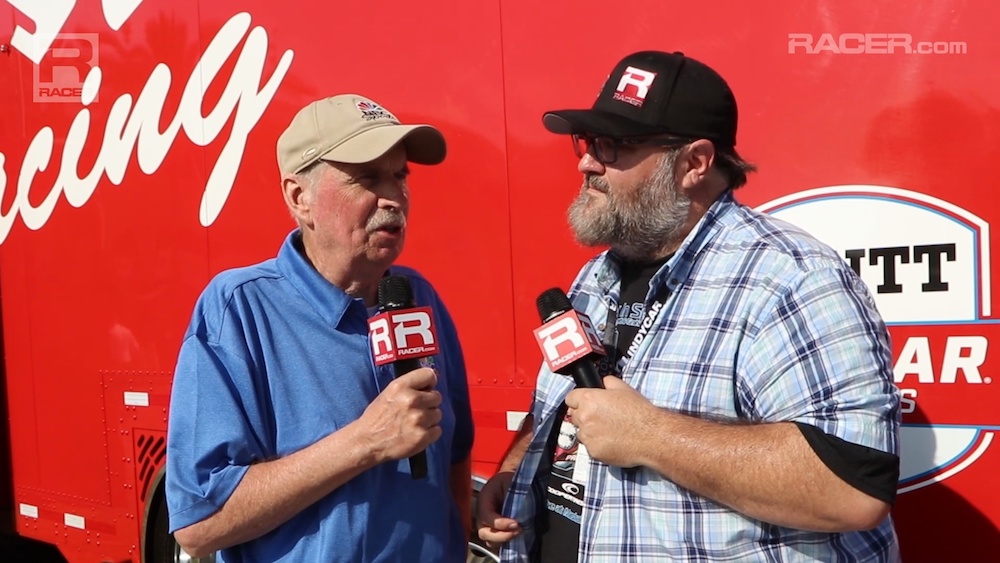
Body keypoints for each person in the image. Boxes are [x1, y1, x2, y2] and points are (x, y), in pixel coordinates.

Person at [477, 51, 901, 562]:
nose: (587, 163)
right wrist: (518, 472)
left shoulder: (790, 279)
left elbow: (850, 488)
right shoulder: (596, 275)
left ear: (694, 163)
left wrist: (649, 436)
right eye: (587, 143)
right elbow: (574, 406)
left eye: (613, 146)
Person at [165, 94, 474, 562]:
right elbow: (199, 523)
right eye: (368, 178)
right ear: (299, 197)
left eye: (400, 175)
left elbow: (455, 454)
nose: (394, 198)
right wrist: (364, 441)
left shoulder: (419, 296)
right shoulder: (240, 308)